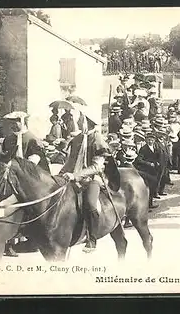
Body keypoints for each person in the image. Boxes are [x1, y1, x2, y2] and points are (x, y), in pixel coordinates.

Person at [60, 104, 108, 253]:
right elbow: (71, 161)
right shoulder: (78, 138)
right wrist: (61, 174)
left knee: (91, 204)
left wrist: (76, 175)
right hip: (74, 176)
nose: (79, 122)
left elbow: (97, 167)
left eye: (81, 119)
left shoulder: (98, 139)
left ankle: (92, 238)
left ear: (88, 122)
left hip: (93, 178)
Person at [134, 132, 160, 209]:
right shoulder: (144, 149)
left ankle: (150, 203)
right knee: (147, 188)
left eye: (152, 140)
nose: (150, 141)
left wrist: (157, 162)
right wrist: (149, 164)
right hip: (146, 171)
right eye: (149, 140)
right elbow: (139, 160)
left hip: (154, 170)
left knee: (152, 188)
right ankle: (145, 206)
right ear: (146, 140)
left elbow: (157, 157)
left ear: (154, 140)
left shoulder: (155, 147)